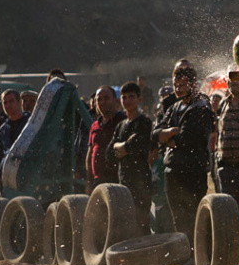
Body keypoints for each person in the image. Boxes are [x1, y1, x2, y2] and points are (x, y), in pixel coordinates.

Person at [152, 62, 214, 244]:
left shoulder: (201, 107)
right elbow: (156, 133)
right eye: (175, 85)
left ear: (193, 84)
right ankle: (185, 253)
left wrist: (168, 137)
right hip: (172, 170)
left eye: (182, 85)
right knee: (178, 218)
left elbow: (188, 138)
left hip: (193, 170)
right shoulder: (173, 107)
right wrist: (170, 133)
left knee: (195, 216)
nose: (178, 89)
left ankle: (200, 254)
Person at [108, 82, 153, 234]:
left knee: (141, 223)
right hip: (123, 180)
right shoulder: (120, 125)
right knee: (126, 224)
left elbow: (135, 146)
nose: (127, 101)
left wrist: (123, 147)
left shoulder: (144, 122)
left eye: (131, 97)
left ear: (139, 99)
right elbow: (110, 152)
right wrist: (122, 146)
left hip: (140, 180)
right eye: (124, 97)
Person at [215, 79, 239, 208]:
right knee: (230, 210)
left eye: (237, 80)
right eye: (230, 81)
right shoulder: (224, 103)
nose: (232, 83)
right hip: (227, 167)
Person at [85, 86, 124, 193]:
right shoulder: (95, 126)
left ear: (115, 101)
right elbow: (90, 154)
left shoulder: (123, 121)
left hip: (118, 180)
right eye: (99, 99)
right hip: (98, 181)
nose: (102, 102)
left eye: (106, 98)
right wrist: (89, 181)